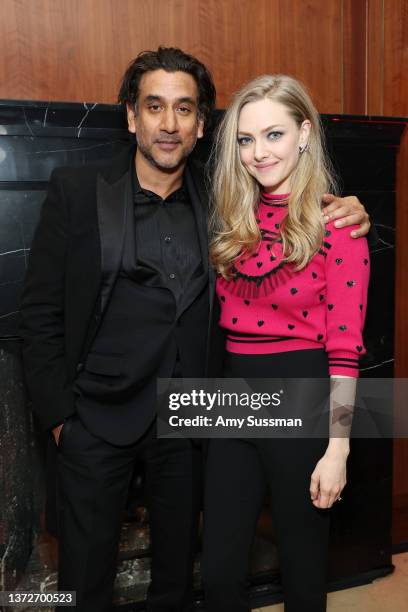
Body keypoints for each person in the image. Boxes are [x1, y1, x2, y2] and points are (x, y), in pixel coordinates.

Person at [19, 47, 370, 612]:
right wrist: (60, 417)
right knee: (85, 584)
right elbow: (38, 315)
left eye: (184, 109)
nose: (168, 123)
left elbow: (312, 250)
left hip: (194, 419)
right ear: (132, 116)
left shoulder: (222, 200)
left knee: (184, 580)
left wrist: (355, 211)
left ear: (202, 126)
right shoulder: (82, 192)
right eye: (153, 106)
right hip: (97, 419)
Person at [203, 74, 370, 612]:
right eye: (246, 140)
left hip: (302, 393)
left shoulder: (339, 225)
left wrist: (338, 448)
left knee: (301, 566)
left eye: (273, 135)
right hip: (233, 392)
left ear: (303, 133)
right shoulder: (233, 217)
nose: (258, 153)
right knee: (221, 564)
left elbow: (345, 347)